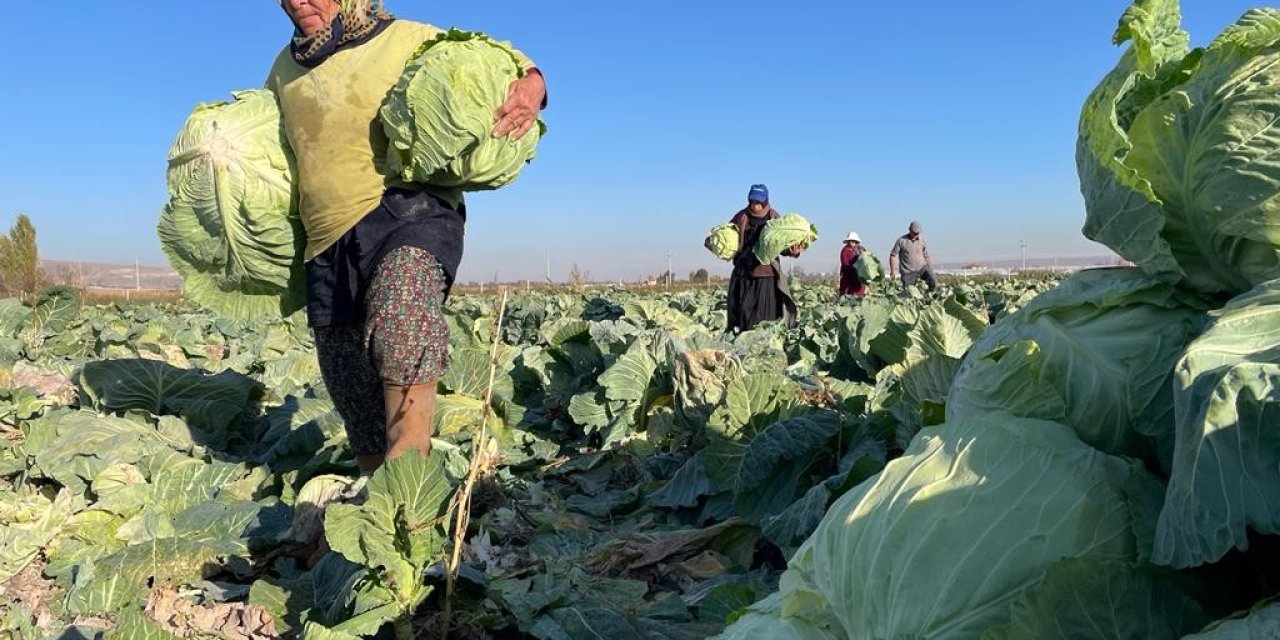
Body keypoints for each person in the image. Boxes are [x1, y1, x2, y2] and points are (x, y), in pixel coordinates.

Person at [269, 0, 547, 474]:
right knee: (347, 376)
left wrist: (532, 86)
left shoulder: (406, 37)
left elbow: (514, 64)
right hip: (325, 235)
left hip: (406, 208)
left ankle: (410, 476)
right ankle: (377, 489)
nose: (299, 1)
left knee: (403, 311)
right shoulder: (282, 70)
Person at [726, 184, 800, 331]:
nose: (756, 205)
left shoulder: (774, 217)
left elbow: (783, 245)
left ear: (766, 201)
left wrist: (792, 250)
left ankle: (763, 349)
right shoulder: (741, 216)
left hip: (767, 275)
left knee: (765, 318)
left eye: (760, 201)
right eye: (753, 201)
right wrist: (716, 242)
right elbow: (728, 235)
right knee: (744, 315)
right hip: (744, 274)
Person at [888, 220, 937, 291]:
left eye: (917, 233)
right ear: (909, 230)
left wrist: (930, 269)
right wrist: (892, 272)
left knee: (933, 282)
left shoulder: (922, 240)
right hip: (908, 272)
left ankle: (928, 298)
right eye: (914, 233)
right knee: (909, 293)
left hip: (922, 268)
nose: (915, 235)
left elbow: (926, 255)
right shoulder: (901, 241)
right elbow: (893, 255)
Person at [838, 231, 867, 298]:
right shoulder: (845, 251)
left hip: (859, 281)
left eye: (854, 241)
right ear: (848, 241)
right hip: (848, 278)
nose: (852, 242)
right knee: (848, 299)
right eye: (851, 241)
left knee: (859, 299)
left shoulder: (861, 249)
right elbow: (846, 266)